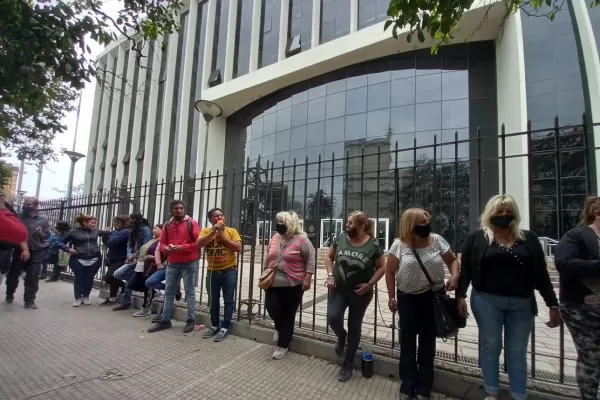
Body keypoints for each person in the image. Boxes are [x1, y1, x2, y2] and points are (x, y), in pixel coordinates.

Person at [457, 194, 560, 400]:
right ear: (490, 214)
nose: (504, 215)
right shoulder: (477, 238)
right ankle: (491, 392)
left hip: (521, 303)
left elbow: (540, 273)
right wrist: (460, 296)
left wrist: (552, 304)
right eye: (499, 212)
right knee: (491, 345)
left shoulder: (528, 238)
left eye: (508, 211)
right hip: (487, 301)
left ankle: (519, 395)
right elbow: (466, 269)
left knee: (517, 350)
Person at [385, 208, 459, 399]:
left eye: (427, 221)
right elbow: (390, 271)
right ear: (410, 226)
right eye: (422, 223)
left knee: (428, 343)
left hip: (432, 298)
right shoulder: (399, 245)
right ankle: (408, 385)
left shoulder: (437, 240)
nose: (427, 226)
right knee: (407, 342)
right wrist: (391, 297)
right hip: (407, 298)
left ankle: (424, 387)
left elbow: (452, 261)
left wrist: (454, 276)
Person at [326, 211, 385, 382]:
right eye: (347, 222)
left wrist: (370, 284)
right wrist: (330, 274)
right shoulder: (341, 238)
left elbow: (382, 267)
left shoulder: (373, 244)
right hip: (338, 289)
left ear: (362, 226)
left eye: (351, 223)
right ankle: (341, 335)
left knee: (355, 325)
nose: (347, 225)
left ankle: (348, 363)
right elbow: (329, 257)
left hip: (360, 293)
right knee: (333, 316)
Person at [554, 196, 600, 400]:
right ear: (597, 214)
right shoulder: (578, 235)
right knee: (592, 358)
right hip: (582, 308)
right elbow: (564, 263)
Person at [264, 211, 315, 359]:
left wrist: (308, 279)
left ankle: (283, 344)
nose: (279, 225)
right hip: (273, 281)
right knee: (271, 307)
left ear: (291, 225)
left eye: (282, 223)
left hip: (293, 284)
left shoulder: (302, 239)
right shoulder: (275, 237)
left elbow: (311, 259)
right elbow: (269, 255)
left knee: (288, 314)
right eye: (278, 222)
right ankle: (280, 329)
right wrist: (264, 271)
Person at [148, 200, 200, 334]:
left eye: (181, 208)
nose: (179, 210)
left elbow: (198, 243)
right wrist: (167, 250)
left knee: (190, 292)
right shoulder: (167, 225)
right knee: (169, 292)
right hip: (172, 263)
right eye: (176, 208)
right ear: (171, 210)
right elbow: (163, 243)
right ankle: (165, 320)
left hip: (189, 262)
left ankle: (191, 320)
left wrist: (183, 247)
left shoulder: (192, 223)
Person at [197, 207, 242, 342]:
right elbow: (199, 244)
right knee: (213, 300)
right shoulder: (206, 231)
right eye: (216, 216)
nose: (219, 218)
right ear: (211, 219)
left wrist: (223, 238)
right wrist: (213, 233)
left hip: (229, 271)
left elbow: (238, 248)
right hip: (212, 272)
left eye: (221, 215)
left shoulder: (231, 231)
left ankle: (225, 326)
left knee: (229, 300)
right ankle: (215, 324)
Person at [5, 196, 51, 309]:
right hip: (19, 250)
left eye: (29, 204)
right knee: (14, 274)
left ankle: (29, 300)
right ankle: (9, 293)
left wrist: (40, 233)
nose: (26, 205)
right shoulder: (18, 217)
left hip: (36, 251)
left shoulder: (42, 220)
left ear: (36, 206)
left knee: (33, 276)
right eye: (25, 203)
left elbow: (47, 236)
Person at [59, 213, 110, 306]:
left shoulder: (96, 231)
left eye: (95, 223)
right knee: (79, 278)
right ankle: (78, 298)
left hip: (95, 258)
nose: (94, 225)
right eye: (92, 223)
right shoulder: (73, 232)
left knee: (89, 278)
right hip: (78, 259)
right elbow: (59, 242)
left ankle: (86, 297)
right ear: (84, 222)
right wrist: (68, 249)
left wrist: (108, 231)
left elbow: (109, 234)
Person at [120, 224, 163, 317]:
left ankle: (145, 308)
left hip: (151, 266)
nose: (153, 230)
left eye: (156, 228)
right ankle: (154, 293)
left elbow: (162, 255)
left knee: (147, 287)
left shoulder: (162, 241)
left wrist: (153, 259)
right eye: (153, 228)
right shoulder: (152, 239)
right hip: (141, 264)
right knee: (132, 284)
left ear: (162, 230)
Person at [99, 216, 131, 306]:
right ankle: (112, 298)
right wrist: (106, 234)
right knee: (114, 279)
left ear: (124, 223)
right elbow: (106, 243)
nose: (115, 223)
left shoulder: (126, 232)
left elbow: (111, 242)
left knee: (109, 277)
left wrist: (107, 236)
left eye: (118, 222)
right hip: (112, 258)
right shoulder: (114, 232)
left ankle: (125, 285)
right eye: (114, 222)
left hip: (120, 259)